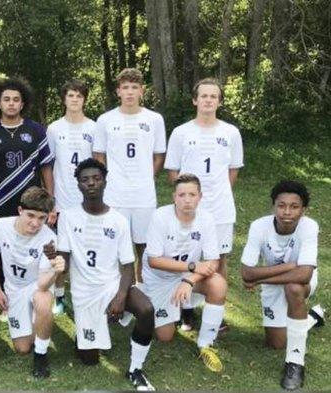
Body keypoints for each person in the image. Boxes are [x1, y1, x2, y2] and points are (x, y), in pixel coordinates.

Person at [55, 158, 155, 390]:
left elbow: (128, 265)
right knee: (89, 359)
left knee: (147, 309)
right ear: (78, 185)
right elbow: (64, 260)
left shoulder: (118, 220)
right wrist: (54, 260)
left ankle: (135, 369)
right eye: (85, 180)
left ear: (105, 182)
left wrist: (120, 296)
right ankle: (85, 334)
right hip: (84, 292)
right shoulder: (68, 217)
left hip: (111, 286)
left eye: (96, 178)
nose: (91, 183)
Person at [164, 77, 243, 331]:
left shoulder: (230, 132)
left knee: (218, 259)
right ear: (195, 100)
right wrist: (187, 200)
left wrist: (215, 194)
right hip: (188, 208)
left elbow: (232, 171)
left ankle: (214, 314)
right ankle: (185, 311)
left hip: (220, 209)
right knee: (187, 255)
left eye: (213, 96)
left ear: (219, 101)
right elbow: (173, 172)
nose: (208, 100)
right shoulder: (181, 132)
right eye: (204, 96)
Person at [241, 180, 324, 390]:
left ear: (303, 210)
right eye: (281, 205)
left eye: (294, 207)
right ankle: (312, 317)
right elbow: (245, 271)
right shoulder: (259, 226)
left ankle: (295, 363)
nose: (287, 212)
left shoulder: (309, 226)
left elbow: (305, 274)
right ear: (273, 206)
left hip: (297, 282)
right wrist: (288, 266)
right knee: (276, 343)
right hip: (277, 281)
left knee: (294, 288)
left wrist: (258, 279)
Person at [143, 173, 227, 373]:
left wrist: (189, 280)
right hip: (160, 279)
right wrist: (191, 267)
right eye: (182, 195)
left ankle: (205, 344)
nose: (187, 200)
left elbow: (213, 260)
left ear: (200, 197)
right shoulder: (160, 216)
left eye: (192, 194)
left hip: (188, 277)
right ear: (174, 197)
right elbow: (153, 260)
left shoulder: (206, 219)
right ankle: (145, 301)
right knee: (165, 337)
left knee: (218, 284)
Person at [93, 68, 166, 284]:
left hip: (144, 195)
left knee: (143, 245)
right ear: (118, 91)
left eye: (134, 87)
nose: (130, 92)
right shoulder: (105, 120)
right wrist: (107, 180)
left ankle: (141, 290)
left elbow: (159, 154)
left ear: (142, 90)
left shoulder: (154, 119)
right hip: (116, 193)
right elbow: (99, 154)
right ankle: (119, 293)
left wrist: (147, 177)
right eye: (125, 87)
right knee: (115, 244)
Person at [0, 187, 64, 378]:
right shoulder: (0, 226)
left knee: (44, 299)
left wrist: (56, 271)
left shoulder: (49, 240)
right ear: (20, 210)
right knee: (22, 348)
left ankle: (41, 356)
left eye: (41, 217)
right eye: (31, 215)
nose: (35, 223)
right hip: (13, 289)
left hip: (35, 285)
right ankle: (37, 325)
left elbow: (42, 285)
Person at [46, 79, 96, 314]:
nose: (75, 99)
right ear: (64, 99)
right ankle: (58, 295)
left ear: (84, 99)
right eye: (70, 95)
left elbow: (99, 165)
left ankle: (85, 293)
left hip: (87, 199)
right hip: (63, 200)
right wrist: (52, 200)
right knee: (61, 250)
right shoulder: (55, 128)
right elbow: (48, 165)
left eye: (79, 95)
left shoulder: (94, 127)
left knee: (87, 247)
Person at [0, 77, 55, 223]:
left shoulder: (36, 130)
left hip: (33, 204)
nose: (11, 103)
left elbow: (46, 167)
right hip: (0, 202)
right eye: (6, 99)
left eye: (16, 99)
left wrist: (51, 201)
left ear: (22, 104)